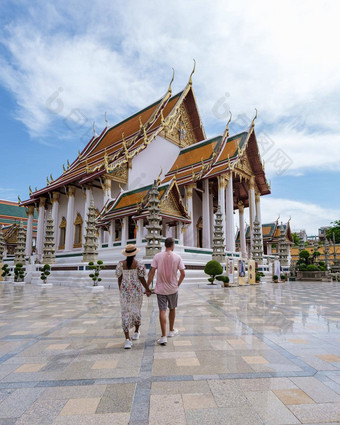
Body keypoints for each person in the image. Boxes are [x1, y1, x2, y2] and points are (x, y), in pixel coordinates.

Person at [147, 237, 185, 345]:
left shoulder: (157, 256)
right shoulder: (177, 257)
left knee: (162, 310)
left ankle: (163, 336)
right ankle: (171, 331)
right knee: (172, 309)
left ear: (165, 245)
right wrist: (177, 284)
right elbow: (183, 274)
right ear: (173, 245)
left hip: (161, 289)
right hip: (173, 288)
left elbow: (151, 273)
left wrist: (147, 287)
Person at [116, 244, 151, 349]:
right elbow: (142, 278)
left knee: (125, 314)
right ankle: (136, 332)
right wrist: (147, 289)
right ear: (135, 253)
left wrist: (121, 289)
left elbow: (119, 278)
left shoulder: (121, 264)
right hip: (137, 292)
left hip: (125, 293)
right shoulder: (139, 264)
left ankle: (127, 339)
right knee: (136, 311)